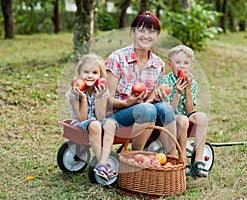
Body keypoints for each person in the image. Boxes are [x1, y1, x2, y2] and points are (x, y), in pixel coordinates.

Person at [104, 11, 177, 155]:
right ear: (132, 33)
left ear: (157, 35)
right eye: (141, 30)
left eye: (151, 31)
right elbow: (105, 100)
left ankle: (172, 160)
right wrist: (126, 103)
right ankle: (135, 157)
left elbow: (148, 100)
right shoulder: (117, 58)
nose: (146, 35)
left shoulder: (158, 64)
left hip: (144, 113)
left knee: (166, 108)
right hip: (115, 115)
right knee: (146, 109)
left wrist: (155, 98)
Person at [65, 53, 118, 181]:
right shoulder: (75, 90)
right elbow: (82, 118)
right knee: (93, 124)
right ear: (79, 73)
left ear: (100, 75)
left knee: (110, 123)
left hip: (97, 121)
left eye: (94, 72)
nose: (90, 75)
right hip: (81, 122)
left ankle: (102, 163)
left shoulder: (102, 89)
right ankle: (103, 165)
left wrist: (100, 96)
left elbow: (100, 116)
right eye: (86, 72)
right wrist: (82, 98)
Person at [160, 45, 209, 177]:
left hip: (185, 116)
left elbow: (190, 110)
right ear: (170, 64)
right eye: (178, 62)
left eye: (186, 63)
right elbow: (169, 111)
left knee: (202, 117)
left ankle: (198, 160)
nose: (182, 66)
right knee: (183, 119)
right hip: (169, 119)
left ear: (191, 66)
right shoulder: (166, 81)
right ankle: (182, 160)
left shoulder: (193, 83)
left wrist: (187, 90)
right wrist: (177, 93)